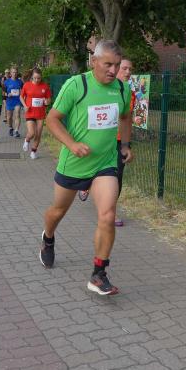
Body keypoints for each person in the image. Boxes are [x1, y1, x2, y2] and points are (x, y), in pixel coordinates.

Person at [38, 40, 133, 295]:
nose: (113, 70)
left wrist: (125, 145)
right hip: (74, 164)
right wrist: (71, 144)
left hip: (105, 163)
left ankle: (98, 274)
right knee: (58, 211)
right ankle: (48, 237)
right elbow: (52, 119)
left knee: (108, 215)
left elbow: (125, 117)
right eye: (108, 64)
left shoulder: (122, 89)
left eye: (117, 65)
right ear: (94, 62)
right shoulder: (77, 85)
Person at [78, 58, 135, 227]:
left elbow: (127, 118)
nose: (128, 72)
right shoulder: (101, 89)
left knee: (117, 176)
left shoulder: (128, 93)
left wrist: (126, 144)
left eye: (130, 69)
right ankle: (87, 184)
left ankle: (110, 211)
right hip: (100, 139)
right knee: (94, 170)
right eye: (124, 68)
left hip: (118, 141)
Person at [20, 67, 51, 159]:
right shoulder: (27, 85)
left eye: (39, 78)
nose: (37, 80)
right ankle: (27, 140)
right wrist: (25, 106)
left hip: (40, 114)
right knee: (32, 132)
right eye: (35, 78)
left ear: (41, 77)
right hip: (30, 112)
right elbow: (21, 97)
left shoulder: (45, 86)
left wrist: (47, 102)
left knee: (38, 134)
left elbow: (49, 99)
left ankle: (33, 151)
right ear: (32, 77)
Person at [3, 67, 24, 137]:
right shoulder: (6, 82)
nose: (14, 74)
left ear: (17, 73)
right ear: (10, 73)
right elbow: (3, 92)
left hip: (17, 101)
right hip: (9, 101)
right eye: (13, 72)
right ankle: (11, 128)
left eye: (15, 72)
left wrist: (21, 93)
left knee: (17, 114)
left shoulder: (20, 82)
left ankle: (16, 131)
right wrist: (7, 94)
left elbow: (23, 91)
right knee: (9, 117)